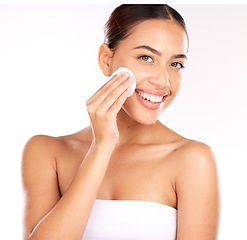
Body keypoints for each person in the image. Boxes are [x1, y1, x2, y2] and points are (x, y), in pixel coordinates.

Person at [22, 4, 220, 240]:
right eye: (146, 57)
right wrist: (102, 146)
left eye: (175, 64)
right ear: (106, 60)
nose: (163, 80)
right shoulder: (47, 152)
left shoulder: (193, 160)